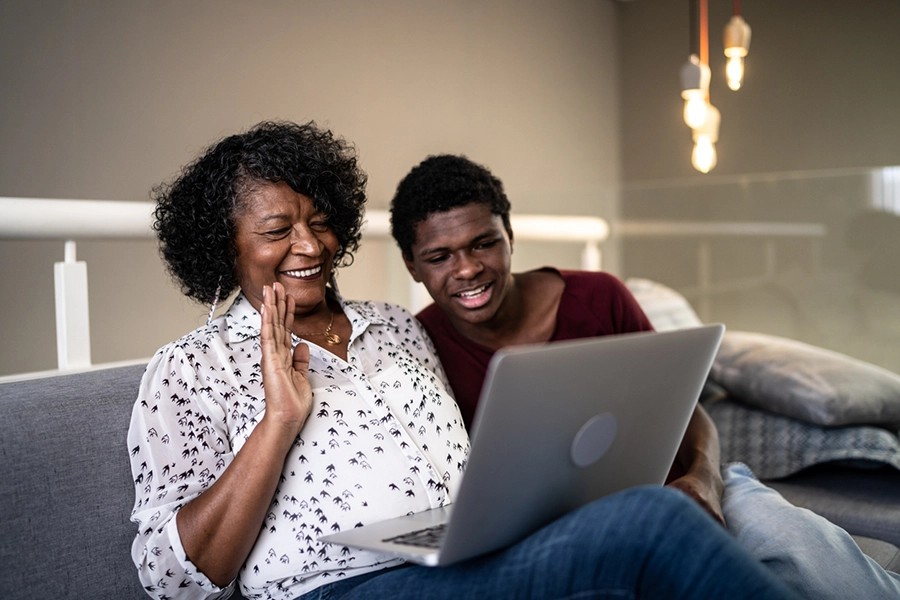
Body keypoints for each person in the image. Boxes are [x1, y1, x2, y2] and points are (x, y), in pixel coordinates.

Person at [129, 120, 801, 600]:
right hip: (340, 587)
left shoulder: (397, 328)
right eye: (278, 230)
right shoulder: (190, 369)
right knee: (653, 524)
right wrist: (278, 420)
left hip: (471, 559)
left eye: (320, 221)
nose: (309, 245)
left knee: (656, 515)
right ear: (225, 247)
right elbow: (173, 580)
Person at [389, 153, 900, 600]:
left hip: (684, 488)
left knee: (795, 543)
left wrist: (703, 479)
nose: (467, 269)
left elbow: (684, 408)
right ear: (413, 266)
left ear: (510, 236)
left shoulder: (600, 297)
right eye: (439, 256)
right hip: (571, 530)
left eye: (484, 244)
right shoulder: (420, 345)